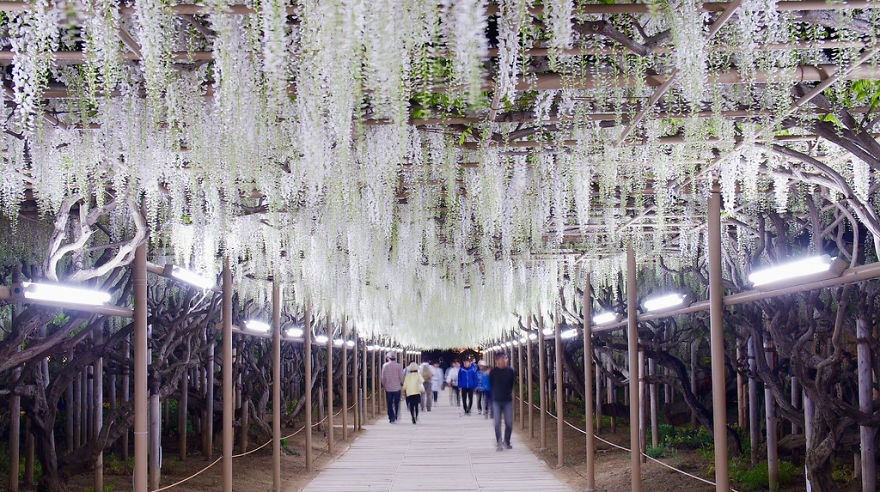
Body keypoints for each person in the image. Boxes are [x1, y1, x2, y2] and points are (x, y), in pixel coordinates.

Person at [489, 352, 516, 451]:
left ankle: (507, 441)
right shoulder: (493, 372)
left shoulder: (511, 371)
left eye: (505, 358)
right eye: (501, 359)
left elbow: (512, 383)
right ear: (496, 361)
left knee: (509, 422)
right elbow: (491, 384)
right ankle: (499, 442)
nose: (504, 360)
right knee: (497, 422)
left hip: (508, 400)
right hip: (496, 400)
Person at [381, 352, 404, 423]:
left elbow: (383, 377)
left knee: (389, 403)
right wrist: (402, 383)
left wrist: (383, 384)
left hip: (388, 387)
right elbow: (401, 376)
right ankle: (396, 415)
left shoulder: (385, 366)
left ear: (388, 358)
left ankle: (391, 416)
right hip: (397, 387)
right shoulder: (399, 366)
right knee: (397, 402)